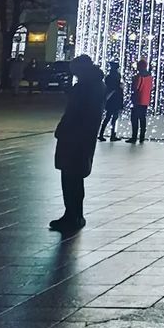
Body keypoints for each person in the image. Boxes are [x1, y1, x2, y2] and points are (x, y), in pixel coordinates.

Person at [51, 55, 105, 233]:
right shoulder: (95, 84)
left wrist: (63, 129)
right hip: (83, 137)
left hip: (75, 137)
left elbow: (76, 112)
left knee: (70, 177)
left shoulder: (85, 87)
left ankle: (72, 215)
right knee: (74, 177)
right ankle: (74, 214)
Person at [126, 59, 153, 144]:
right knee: (142, 118)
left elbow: (135, 88)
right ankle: (142, 137)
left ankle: (134, 137)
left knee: (134, 119)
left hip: (138, 100)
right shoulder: (150, 77)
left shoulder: (138, 77)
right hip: (145, 100)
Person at [98, 60, 123, 142]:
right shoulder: (116, 76)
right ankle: (112, 135)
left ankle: (102, 134)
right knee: (113, 118)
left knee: (108, 117)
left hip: (110, 99)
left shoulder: (108, 77)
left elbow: (107, 87)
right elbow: (118, 87)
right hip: (116, 99)